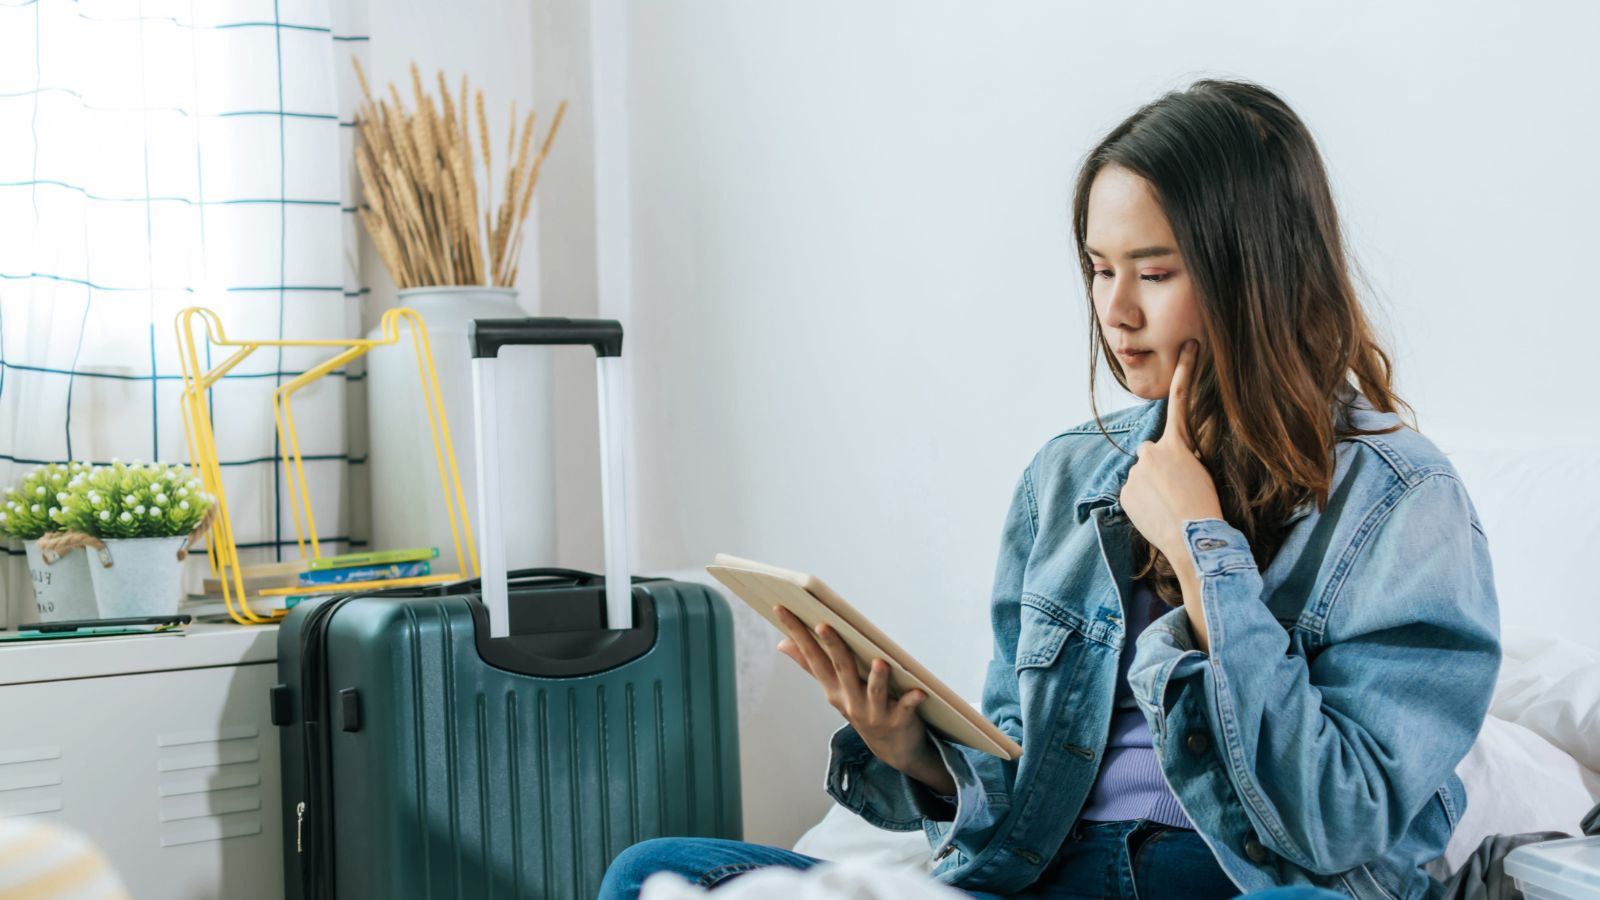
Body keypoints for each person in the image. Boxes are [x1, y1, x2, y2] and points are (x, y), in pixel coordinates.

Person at [600, 78, 1499, 900]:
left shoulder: (1401, 500)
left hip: (1243, 881)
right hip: (1050, 873)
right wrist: (915, 756)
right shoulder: (1066, 476)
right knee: (660, 873)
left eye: (1154, 272)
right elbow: (1023, 772)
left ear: (1254, 273)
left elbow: (1336, 820)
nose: (1116, 311)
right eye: (1099, 270)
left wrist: (1204, 556)